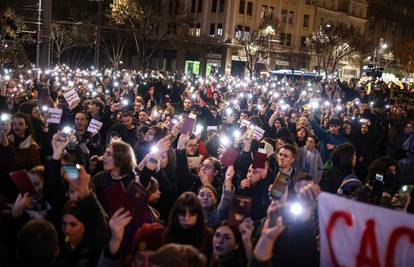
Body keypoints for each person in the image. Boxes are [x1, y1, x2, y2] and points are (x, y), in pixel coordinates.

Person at [164, 192, 213, 256]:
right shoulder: (168, 234)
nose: (187, 219)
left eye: (192, 214)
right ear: (176, 214)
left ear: (198, 215)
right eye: (182, 214)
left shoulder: (208, 235)